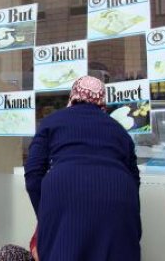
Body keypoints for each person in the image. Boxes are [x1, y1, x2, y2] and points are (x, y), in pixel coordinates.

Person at [24, 76, 141, 261]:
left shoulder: (51, 122)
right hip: (119, 193)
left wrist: (46, 213)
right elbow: (134, 180)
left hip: (65, 190)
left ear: (73, 96)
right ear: (102, 100)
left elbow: (33, 172)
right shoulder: (119, 130)